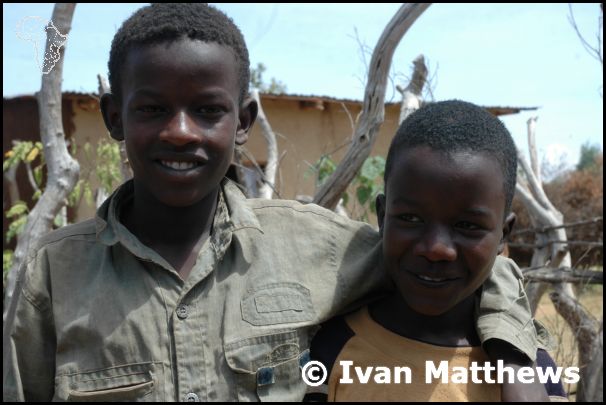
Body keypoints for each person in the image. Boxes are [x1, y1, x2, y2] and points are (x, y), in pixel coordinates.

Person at [3, 4, 547, 402]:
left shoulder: (312, 245)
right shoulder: (54, 274)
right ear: (114, 117)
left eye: (207, 111)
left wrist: (515, 363)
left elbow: (463, 262)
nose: (180, 132)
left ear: (243, 122)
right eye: (152, 109)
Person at [309, 100, 567, 402]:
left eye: (467, 226)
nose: (436, 249)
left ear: (503, 235)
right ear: (382, 217)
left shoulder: (530, 378)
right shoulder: (331, 350)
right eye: (411, 219)